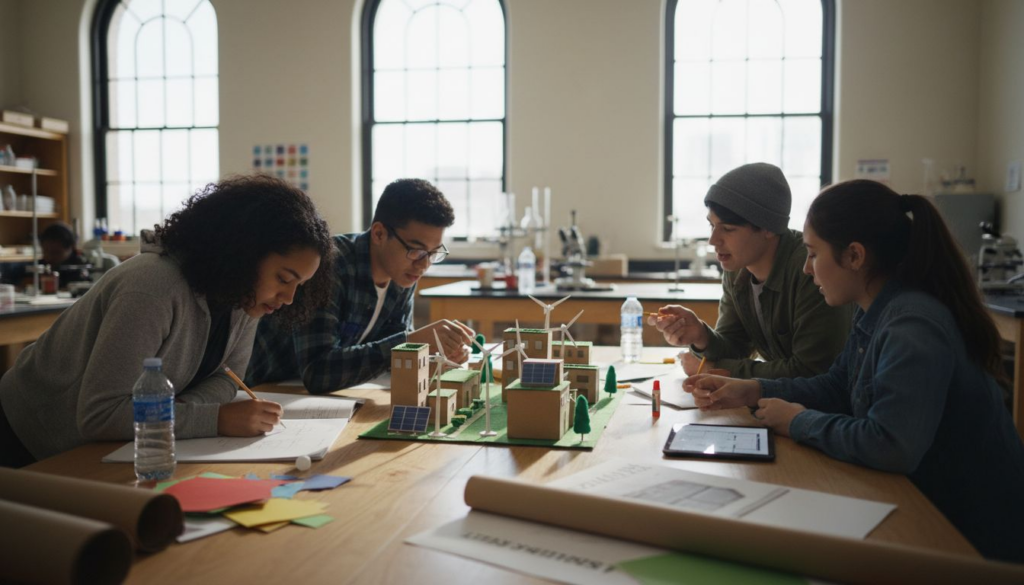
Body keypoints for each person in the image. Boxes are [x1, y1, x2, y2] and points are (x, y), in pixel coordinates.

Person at [686, 180, 1024, 563]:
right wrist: (753, 390)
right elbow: (837, 386)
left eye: (813, 255)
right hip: (927, 504)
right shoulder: (876, 308)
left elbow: (890, 445)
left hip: (974, 538)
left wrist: (798, 421)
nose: (806, 269)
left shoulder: (912, 324)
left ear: (855, 256)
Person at [0, 175, 334, 467]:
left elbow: (227, 379)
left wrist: (177, 412)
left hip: (111, 447)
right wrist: (213, 418)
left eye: (299, 286)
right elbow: (101, 415)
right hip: (29, 440)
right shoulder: (152, 287)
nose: (289, 298)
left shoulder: (243, 297)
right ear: (244, 254)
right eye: (284, 278)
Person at [246, 178, 474, 394]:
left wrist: (437, 356)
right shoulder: (330, 266)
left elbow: (392, 354)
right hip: (258, 389)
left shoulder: (403, 274)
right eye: (416, 250)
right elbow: (318, 372)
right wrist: (411, 342)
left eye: (433, 253)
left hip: (305, 395)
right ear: (379, 233)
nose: (424, 264)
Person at [650, 162, 851, 378]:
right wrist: (701, 335)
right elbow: (736, 347)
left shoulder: (810, 270)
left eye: (727, 229)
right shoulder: (737, 267)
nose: (713, 240)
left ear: (768, 228)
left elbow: (811, 371)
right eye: (711, 225)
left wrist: (718, 371)